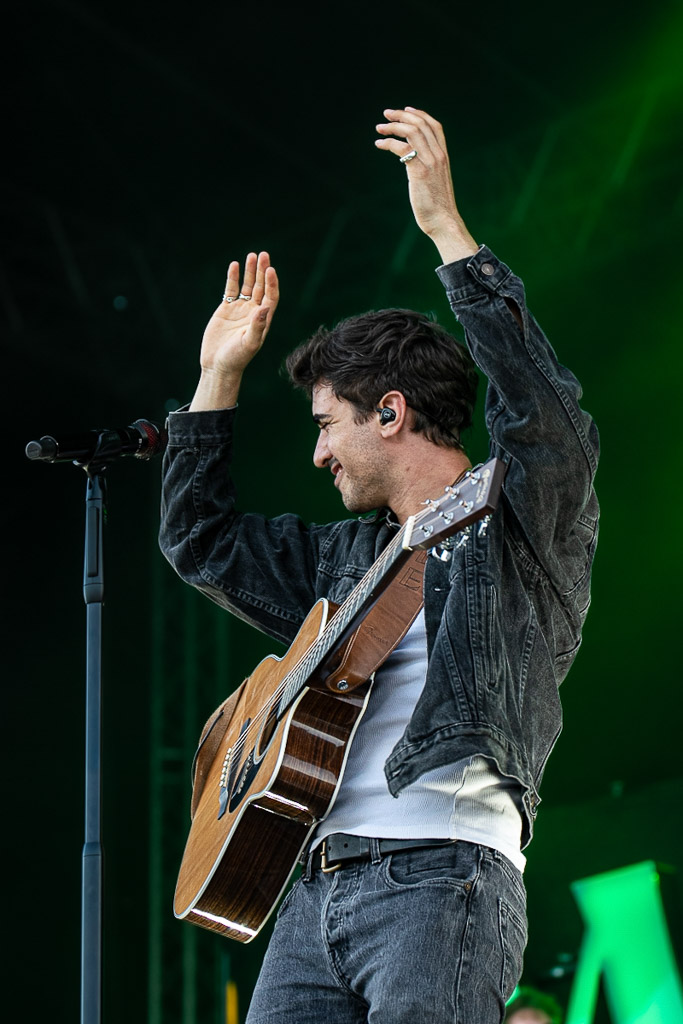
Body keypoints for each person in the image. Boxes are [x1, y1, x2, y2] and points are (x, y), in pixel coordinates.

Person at [159, 107, 599, 1024]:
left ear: (389, 412)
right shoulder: (344, 558)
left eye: (327, 425)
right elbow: (199, 543)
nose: (319, 455)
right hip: (310, 889)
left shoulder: (516, 516)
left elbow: (543, 410)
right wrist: (216, 376)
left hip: (442, 877)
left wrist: (446, 229)